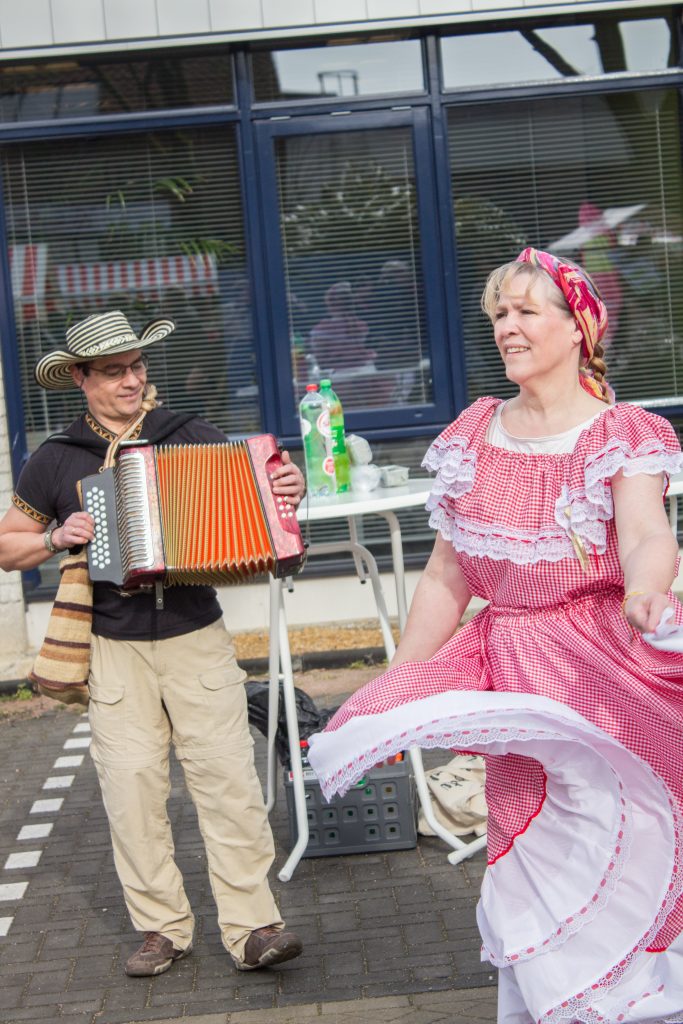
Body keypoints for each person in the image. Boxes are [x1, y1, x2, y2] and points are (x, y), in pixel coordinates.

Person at [308, 248, 683, 1023]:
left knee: (627, 830)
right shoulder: (473, 434)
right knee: (530, 848)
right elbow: (445, 577)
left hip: (601, 668)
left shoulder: (619, 433)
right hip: (514, 672)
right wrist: (399, 681)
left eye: (525, 311)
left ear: (577, 328)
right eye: (499, 313)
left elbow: (647, 533)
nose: (506, 326)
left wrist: (646, 591)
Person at [0, 310, 305, 978]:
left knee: (227, 781)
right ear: (80, 379)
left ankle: (253, 927)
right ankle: (162, 929)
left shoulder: (186, 434)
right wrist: (55, 537)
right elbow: (7, 545)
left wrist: (291, 486)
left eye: (137, 366)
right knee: (131, 791)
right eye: (114, 372)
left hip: (196, 635)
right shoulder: (56, 458)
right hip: (114, 646)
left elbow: (264, 496)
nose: (132, 380)